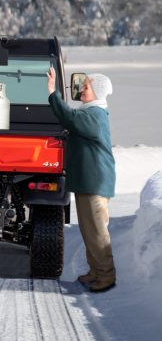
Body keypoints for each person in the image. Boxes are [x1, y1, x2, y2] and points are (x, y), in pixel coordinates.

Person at [47, 66, 116, 292]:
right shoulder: (91, 113)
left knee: (97, 231)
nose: (82, 90)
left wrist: (53, 93)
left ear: (97, 90)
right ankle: (96, 271)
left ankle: (106, 276)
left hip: (95, 182)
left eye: (86, 87)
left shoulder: (94, 115)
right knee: (89, 230)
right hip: (89, 181)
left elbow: (70, 117)